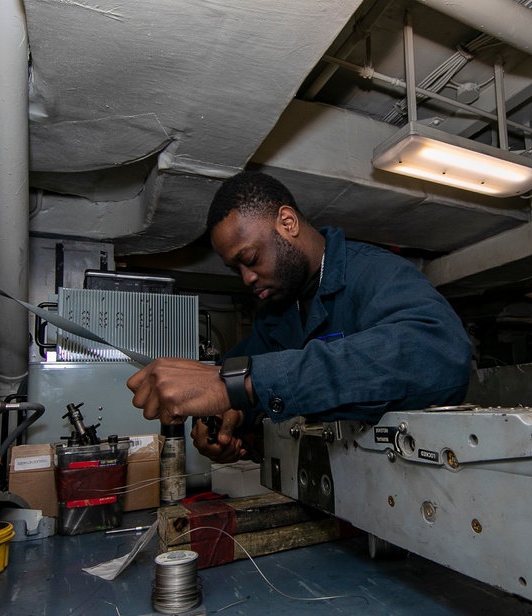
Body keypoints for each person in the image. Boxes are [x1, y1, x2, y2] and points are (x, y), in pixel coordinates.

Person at [127, 171, 472, 463]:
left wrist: (241, 385)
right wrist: (224, 415)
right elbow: (239, 368)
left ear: (287, 223)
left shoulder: (374, 273)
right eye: (236, 269)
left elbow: (439, 354)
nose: (246, 278)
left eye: (250, 258)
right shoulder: (277, 314)